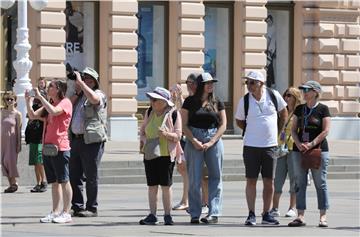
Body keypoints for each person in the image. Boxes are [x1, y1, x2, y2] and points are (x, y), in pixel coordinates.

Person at [235, 70, 287, 226]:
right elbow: (239, 121)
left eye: (252, 82)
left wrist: (278, 132)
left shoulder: (273, 95)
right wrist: (252, 129)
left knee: (269, 181)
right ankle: (251, 214)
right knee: (251, 180)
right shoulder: (244, 100)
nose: (248, 85)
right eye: (247, 82)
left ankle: (266, 213)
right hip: (251, 146)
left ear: (261, 83)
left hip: (270, 146)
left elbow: (283, 113)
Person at [25, 79, 73, 224]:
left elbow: (54, 112)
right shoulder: (49, 104)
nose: (48, 88)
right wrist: (28, 101)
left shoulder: (65, 102)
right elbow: (32, 116)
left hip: (61, 147)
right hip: (48, 147)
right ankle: (55, 211)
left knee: (64, 180)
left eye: (51, 86)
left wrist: (41, 98)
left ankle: (66, 212)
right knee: (54, 182)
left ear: (59, 89)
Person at [181, 72, 227, 224]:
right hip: (194, 137)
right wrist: (193, 140)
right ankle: (195, 213)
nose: (211, 85)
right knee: (194, 178)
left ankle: (214, 212)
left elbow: (223, 124)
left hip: (213, 138)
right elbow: (184, 124)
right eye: (208, 83)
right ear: (201, 85)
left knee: (216, 176)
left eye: (212, 83)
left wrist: (212, 141)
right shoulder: (189, 102)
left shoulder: (217, 101)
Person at [288, 81, 331, 228]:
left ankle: (323, 216)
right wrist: (299, 144)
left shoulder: (323, 109)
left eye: (307, 89)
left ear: (315, 92)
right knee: (299, 182)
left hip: (318, 150)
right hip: (299, 150)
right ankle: (300, 216)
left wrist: (311, 144)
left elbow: (325, 131)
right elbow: (293, 129)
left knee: (321, 182)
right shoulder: (300, 109)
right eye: (302, 89)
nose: (304, 92)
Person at [139, 87, 183, 225]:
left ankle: (168, 215)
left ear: (164, 102)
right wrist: (143, 141)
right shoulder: (149, 112)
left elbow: (178, 136)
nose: (152, 102)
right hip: (150, 153)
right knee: (152, 185)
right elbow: (143, 130)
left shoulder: (174, 113)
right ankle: (152, 215)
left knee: (165, 185)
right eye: (151, 99)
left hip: (166, 154)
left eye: (155, 99)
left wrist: (166, 135)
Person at [69, 67, 107, 218]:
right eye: (85, 79)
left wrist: (81, 84)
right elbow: (67, 105)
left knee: (91, 175)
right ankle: (77, 206)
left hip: (92, 141)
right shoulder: (80, 96)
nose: (87, 81)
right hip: (76, 139)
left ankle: (92, 207)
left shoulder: (98, 94)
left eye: (90, 79)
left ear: (96, 82)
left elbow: (95, 100)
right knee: (74, 174)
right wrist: (77, 90)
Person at [270, 87, 302, 217]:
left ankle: (292, 207)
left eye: (289, 95)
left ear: (296, 97)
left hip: (294, 149)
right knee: (277, 180)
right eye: (285, 95)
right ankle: (275, 208)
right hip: (280, 149)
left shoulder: (300, 113)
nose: (286, 98)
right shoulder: (280, 112)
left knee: (294, 180)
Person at [25, 78, 48, 193]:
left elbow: (46, 120)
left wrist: (36, 117)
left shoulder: (45, 108)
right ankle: (38, 183)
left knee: (39, 160)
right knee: (35, 161)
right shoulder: (33, 107)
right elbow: (29, 117)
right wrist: (28, 100)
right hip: (33, 135)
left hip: (40, 136)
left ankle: (44, 181)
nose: (37, 99)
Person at [169, 83, 188, 211]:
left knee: (184, 169)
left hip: (184, 139)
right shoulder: (171, 104)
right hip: (176, 140)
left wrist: (180, 97)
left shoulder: (188, 102)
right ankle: (186, 199)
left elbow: (181, 113)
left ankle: (185, 200)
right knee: (182, 169)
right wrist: (174, 99)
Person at [1, 91, 22, 193]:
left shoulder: (18, 114)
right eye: (7, 99)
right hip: (3, 141)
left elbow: (18, 130)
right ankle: (12, 184)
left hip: (12, 141)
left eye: (11, 99)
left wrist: (19, 144)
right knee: (4, 162)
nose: (9, 101)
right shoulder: (2, 112)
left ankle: (14, 183)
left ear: (15, 100)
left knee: (10, 162)